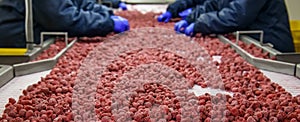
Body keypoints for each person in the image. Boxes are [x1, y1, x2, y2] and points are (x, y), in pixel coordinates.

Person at [158, 0, 295, 53]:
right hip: (250, 41)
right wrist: (190, 18)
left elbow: (237, 14)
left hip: (271, 45)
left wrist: (200, 24)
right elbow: (214, 4)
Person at [0, 0, 130, 48]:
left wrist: (106, 13)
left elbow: (81, 3)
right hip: (17, 41)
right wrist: (107, 23)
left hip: (37, 35)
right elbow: (62, 18)